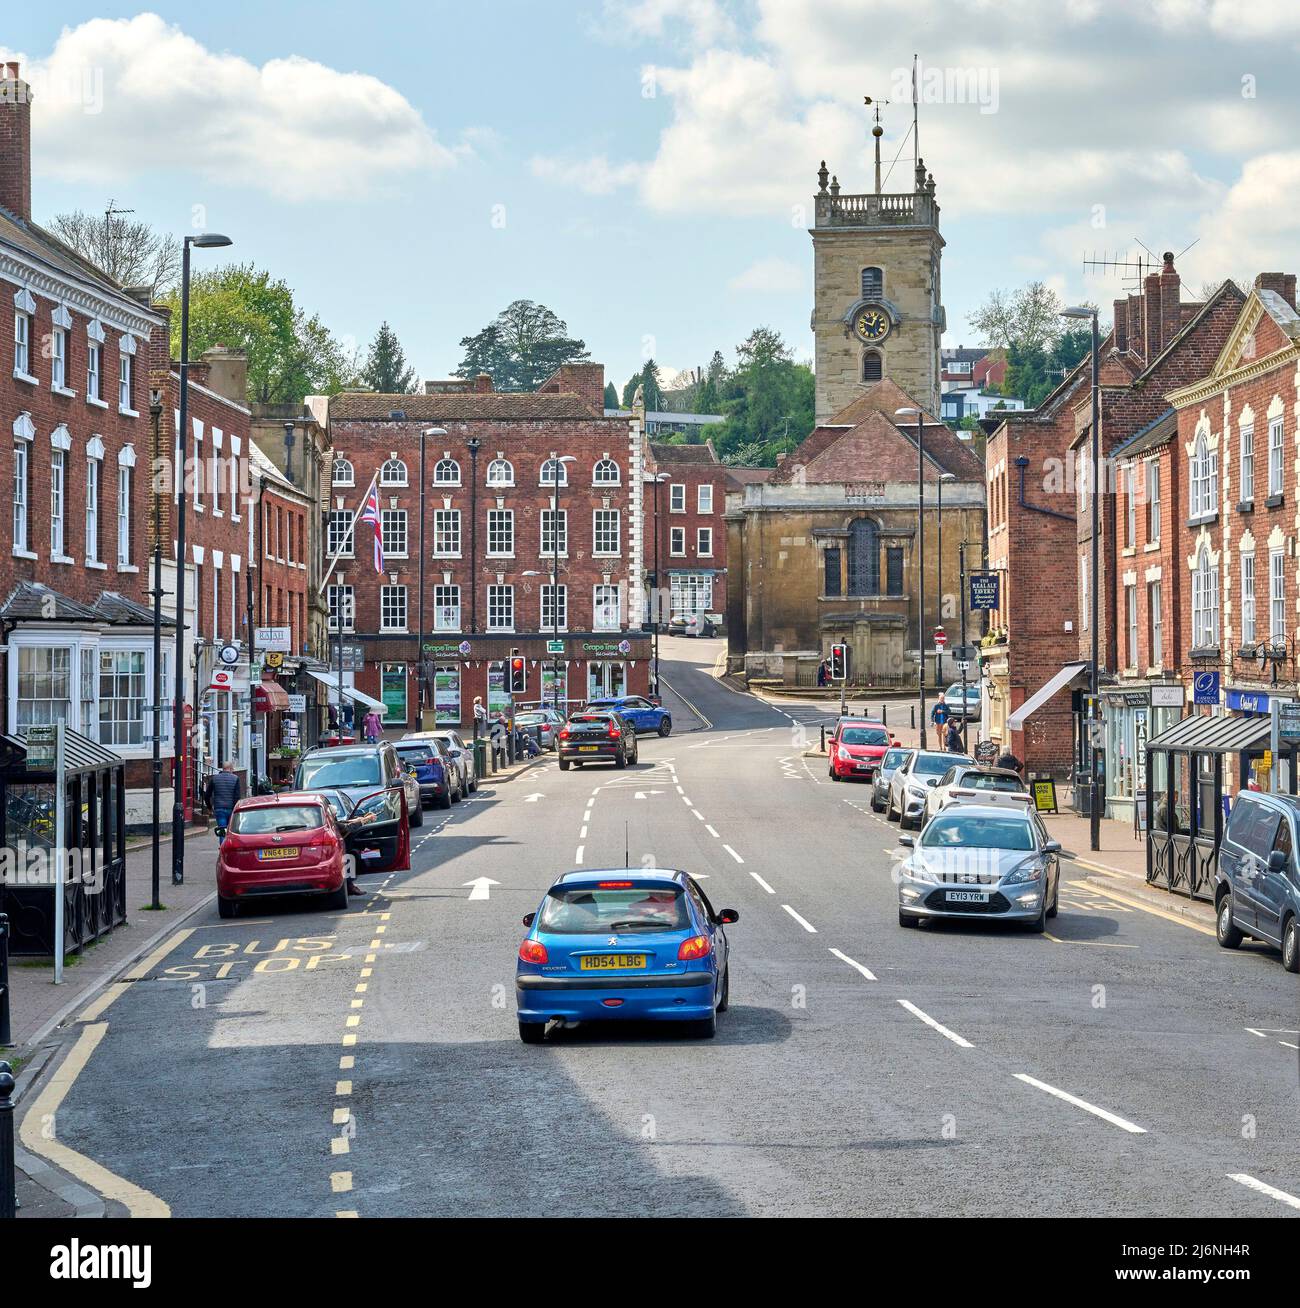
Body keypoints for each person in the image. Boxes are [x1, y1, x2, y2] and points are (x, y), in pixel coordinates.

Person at [207, 761, 242, 841]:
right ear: (230, 768)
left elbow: (207, 795)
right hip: (231, 809)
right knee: (232, 831)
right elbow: (237, 796)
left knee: (222, 832)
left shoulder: (214, 779)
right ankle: (230, 848)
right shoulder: (235, 778)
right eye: (232, 768)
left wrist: (209, 807)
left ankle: (223, 850)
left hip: (219, 808)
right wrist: (236, 809)